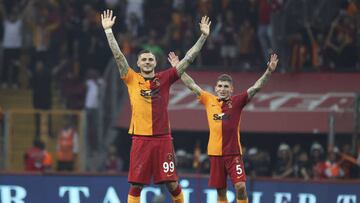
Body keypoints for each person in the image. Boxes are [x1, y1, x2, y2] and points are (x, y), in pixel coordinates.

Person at [101, 9, 210, 203]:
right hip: (141, 139)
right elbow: (118, 56)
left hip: (162, 139)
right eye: (144, 59)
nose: (147, 61)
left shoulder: (165, 78)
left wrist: (203, 36)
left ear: (155, 62)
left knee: (172, 183)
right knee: (136, 184)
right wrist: (109, 31)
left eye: (150, 59)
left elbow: (188, 59)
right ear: (138, 63)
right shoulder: (132, 78)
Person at [168, 52, 278, 203]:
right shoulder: (208, 100)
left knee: (240, 187)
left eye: (226, 86)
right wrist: (177, 67)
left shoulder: (238, 101)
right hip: (215, 154)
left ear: (231, 89)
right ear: (216, 88)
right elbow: (191, 84)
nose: (222, 88)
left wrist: (269, 71)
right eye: (220, 86)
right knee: (221, 192)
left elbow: (255, 88)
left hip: (233, 154)